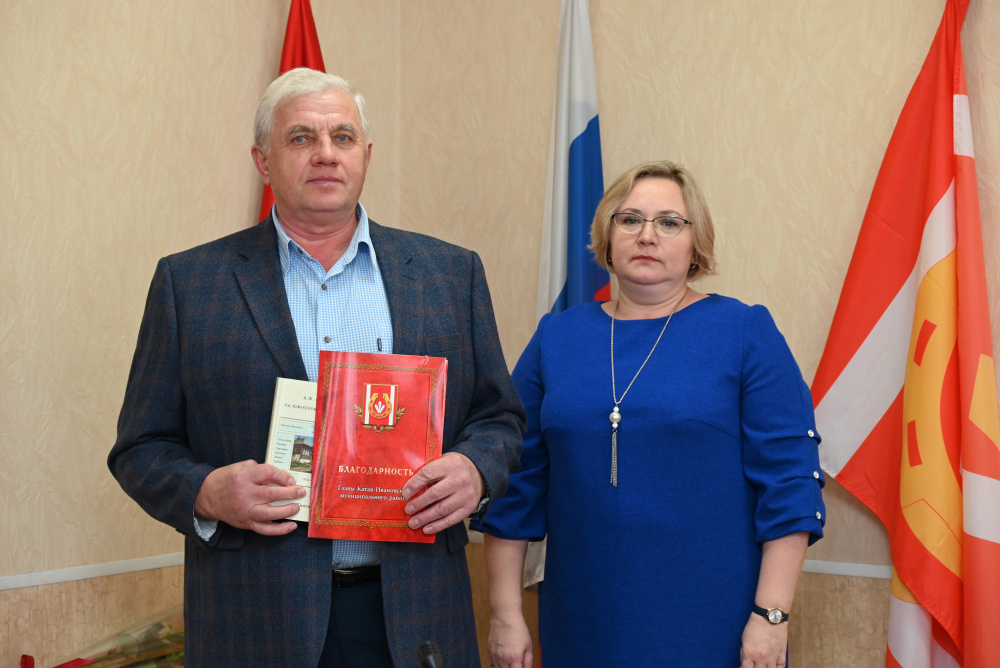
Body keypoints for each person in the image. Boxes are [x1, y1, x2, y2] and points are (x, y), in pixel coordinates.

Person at [109, 68, 526, 668]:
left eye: (343, 137)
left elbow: (500, 418)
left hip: (417, 614)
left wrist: (475, 471)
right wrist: (205, 492)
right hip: (255, 621)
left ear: (366, 155)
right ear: (264, 161)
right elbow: (140, 447)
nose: (326, 154)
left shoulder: (449, 273)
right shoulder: (190, 283)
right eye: (301, 137)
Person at [473, 160, 826, 668]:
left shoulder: (744, 331)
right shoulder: (557, 337)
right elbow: (514, 484)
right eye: (630, 219)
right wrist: (505, 614)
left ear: (695, 242)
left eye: (669, 222)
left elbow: (790, 484)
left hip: (716, 624)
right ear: (607, 234)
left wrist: (771, 617)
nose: (647, 235)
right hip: (582, 619)